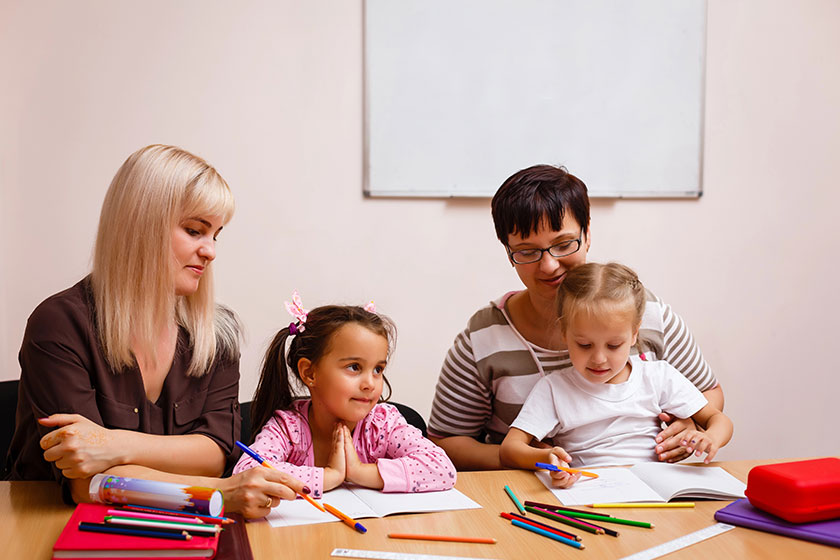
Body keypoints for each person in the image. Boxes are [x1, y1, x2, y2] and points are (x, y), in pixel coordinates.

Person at [5, 144, 305, 518]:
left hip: (176, 525)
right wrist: (218, 495)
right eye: (195, 230)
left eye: (216, 234)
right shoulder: (58, 324)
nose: (210, 251)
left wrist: (114, 445)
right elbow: (88, 483)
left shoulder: (218, 334)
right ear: (139, 224)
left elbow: (214, 453)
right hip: (52, 525)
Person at [427, 165, 725, 470]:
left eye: (564, 244)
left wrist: (685, 423)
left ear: (587, 233)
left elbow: (709, 394)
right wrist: (528, 459)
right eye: (527, 251)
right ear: (508, 251)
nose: (549, 266)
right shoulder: (484, 337)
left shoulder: (645, 312)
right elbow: (445, 441)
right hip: (536, 495)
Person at [500, 263, 733, 487]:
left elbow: (718, 420)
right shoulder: (554, 388)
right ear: (564, 333)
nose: (599, 359)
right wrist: (546, 459)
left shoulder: (657, 376)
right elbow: (510, 449)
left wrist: (711, 437)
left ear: (634, 334)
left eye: (613, 346)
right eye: (584, 345)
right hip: (586, 493)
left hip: (654, 490)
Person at [234, 294, 456, 498]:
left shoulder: (383, 424)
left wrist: (359, 472)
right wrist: (330, 476)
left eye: (378, 369)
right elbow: (246, 471)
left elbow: (442, 468)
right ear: (310, 373)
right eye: (354, 367)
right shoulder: (288, 428)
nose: (370, 383)